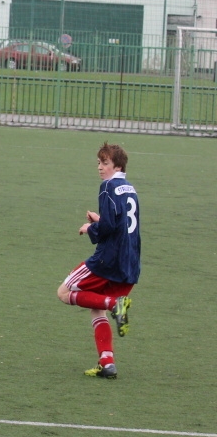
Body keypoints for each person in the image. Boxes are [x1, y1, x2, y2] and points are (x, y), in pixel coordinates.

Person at [56, 142, 140, 379]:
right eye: (99, 163)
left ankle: (115, 304)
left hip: (107, 260)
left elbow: (109, 227)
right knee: (95, 307)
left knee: (64, 293)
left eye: (105, 163)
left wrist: (92, 227)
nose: (100, 168)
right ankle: (107, 363)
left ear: (118, 166)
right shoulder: (129, 188)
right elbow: (120, 223)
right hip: (129, 263)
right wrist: (101, 219)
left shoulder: (107, 187)